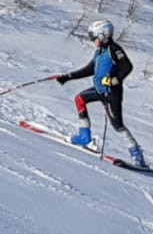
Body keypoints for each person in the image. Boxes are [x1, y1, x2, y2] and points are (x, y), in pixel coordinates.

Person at [54, 20, 147, 167]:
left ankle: (137, 155)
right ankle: (85, 137)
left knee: (117, 125)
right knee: (79, 99)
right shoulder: (99, 51)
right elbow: (90, 69)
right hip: (99, 91)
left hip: (111, 93)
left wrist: (115, 80)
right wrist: (68, 77)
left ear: (103, 35)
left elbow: (127, 66)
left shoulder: (114, 49)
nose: (93, 40)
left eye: (94, 37)